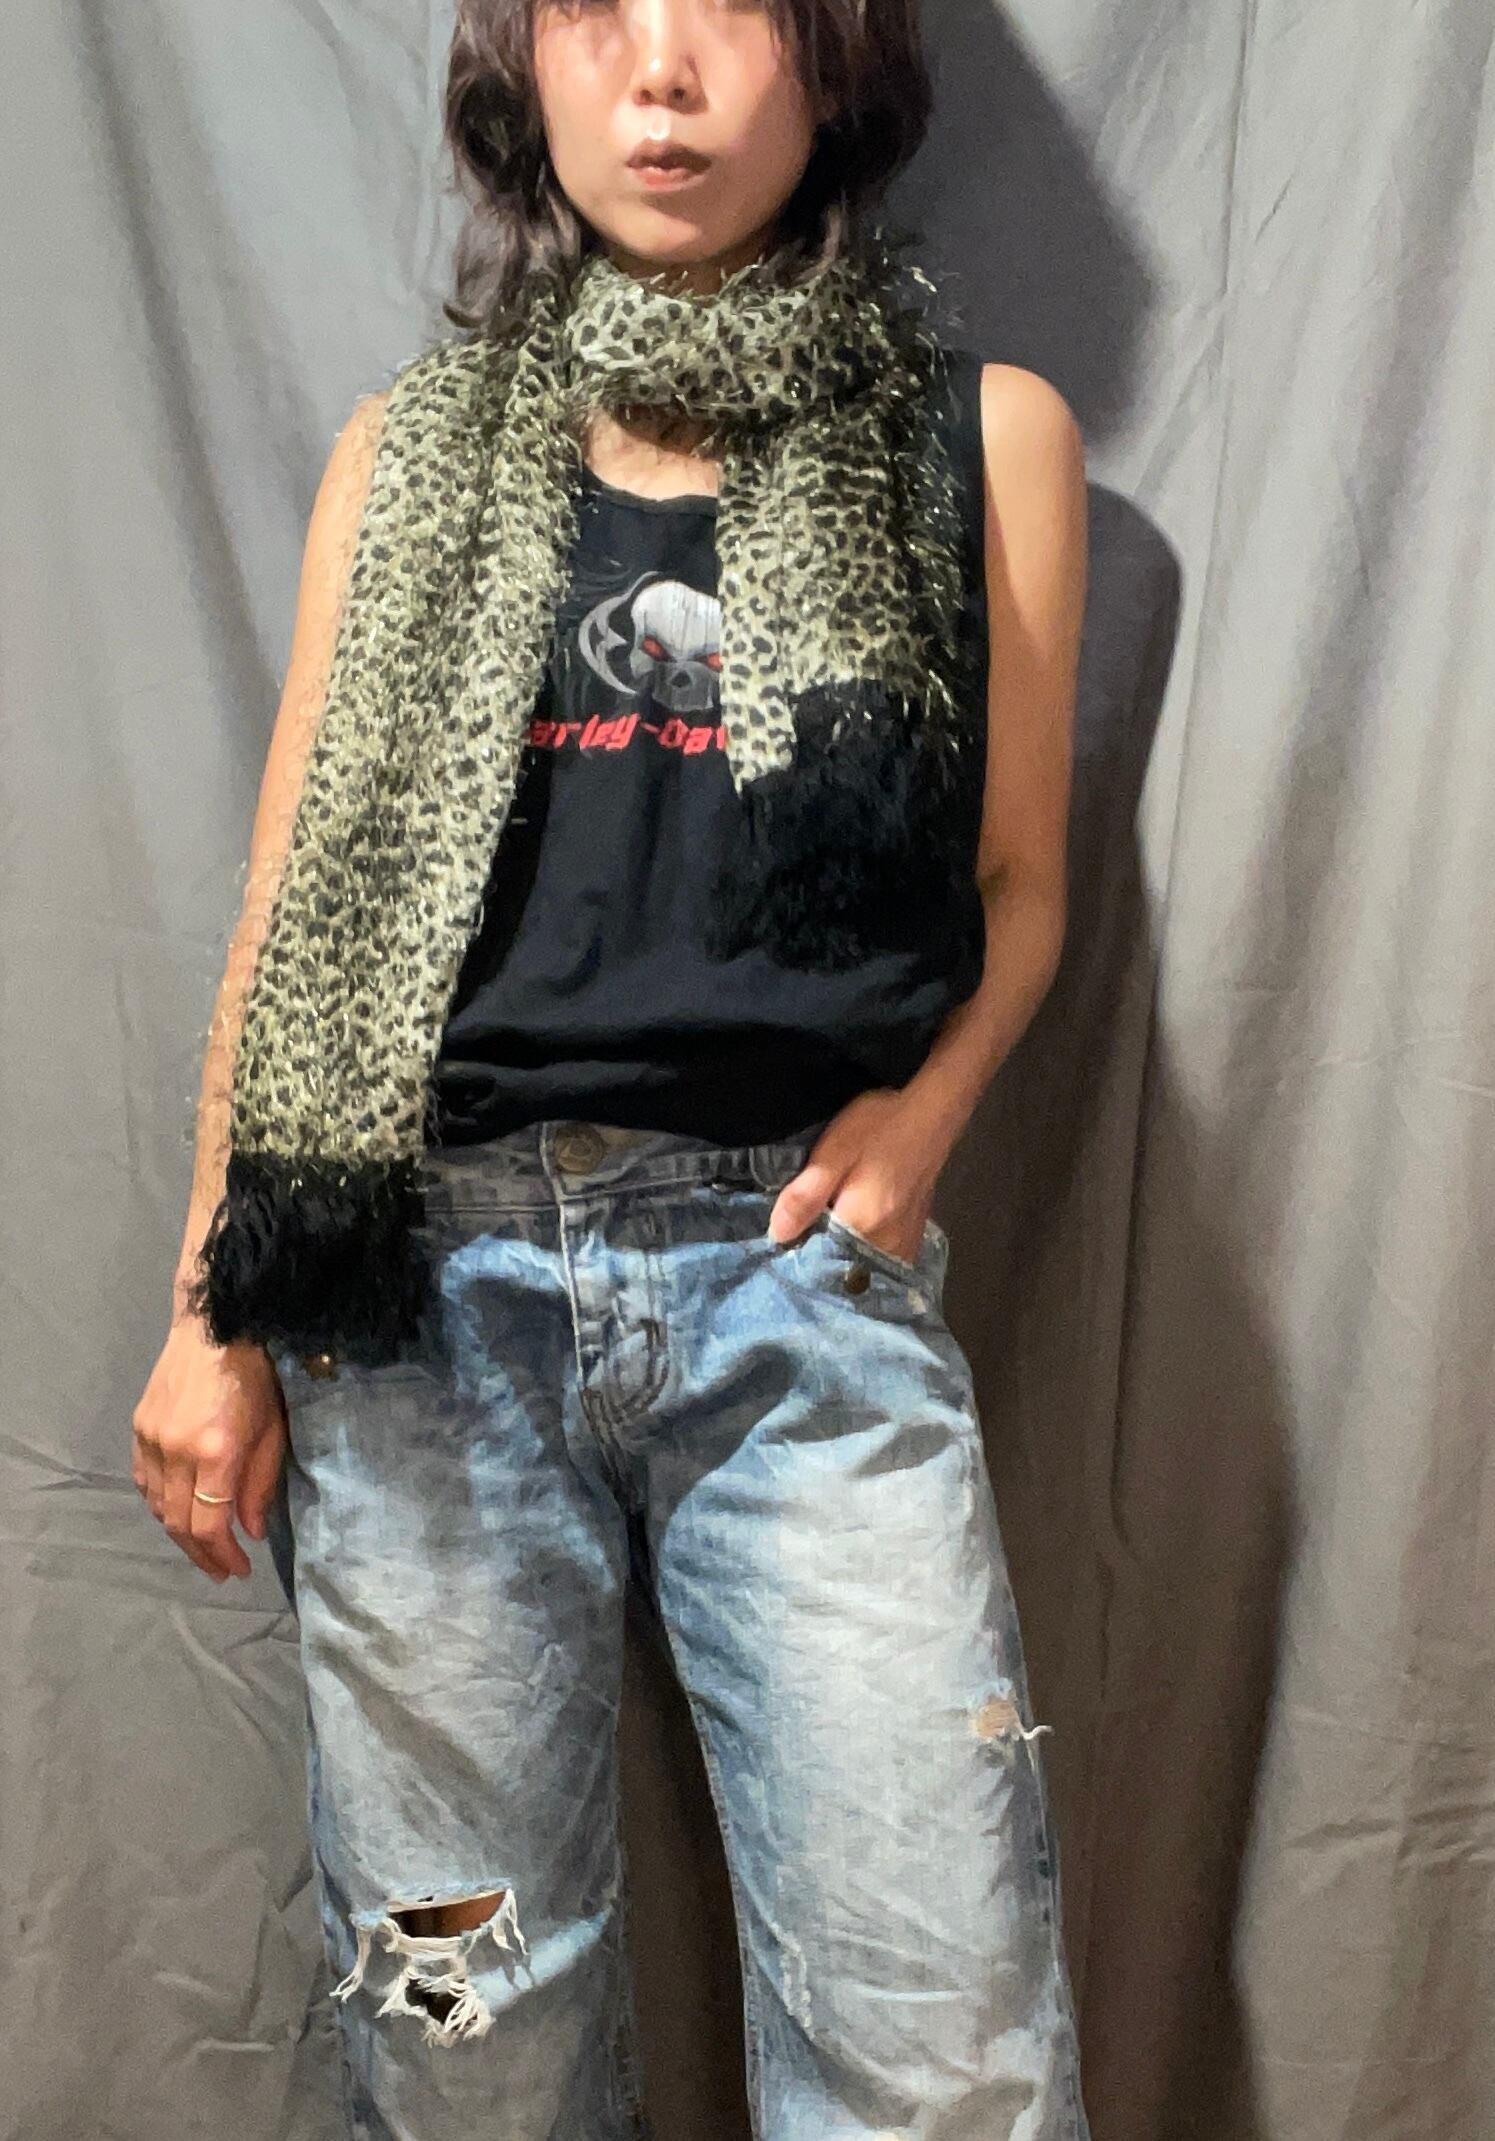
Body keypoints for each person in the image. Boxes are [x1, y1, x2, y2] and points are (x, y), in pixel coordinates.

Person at [131, 0, 1089, 2133]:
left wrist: (919, 1125)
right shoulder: (403, 453)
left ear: (832, 66)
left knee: (939, 2035)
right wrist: (215, 1309)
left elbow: (1020, 882)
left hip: (794, 1280)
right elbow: (293, 909)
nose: (662, 71)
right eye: (597, 8)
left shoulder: (981, 437)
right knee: (463, 2026)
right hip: (419, 1303)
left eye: (732, 9)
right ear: (524, 67)